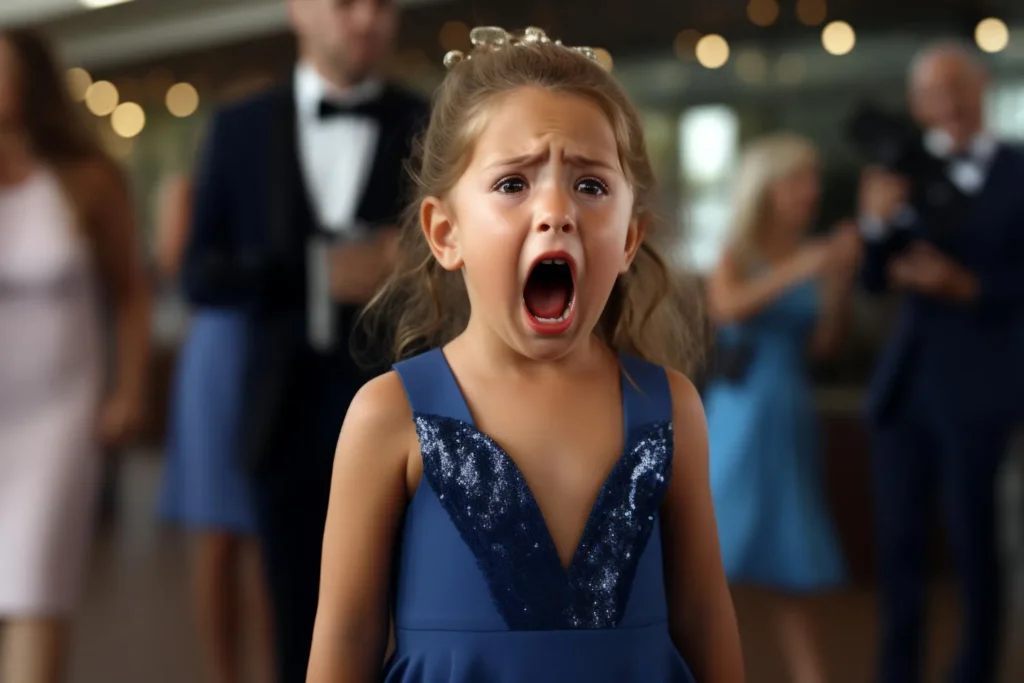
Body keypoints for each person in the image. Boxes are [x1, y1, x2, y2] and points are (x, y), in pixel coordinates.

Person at [306, 26, 744, 683]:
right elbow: (345, 637)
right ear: (444, 232)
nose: (556, 211)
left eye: (591, 186)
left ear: (629, 238)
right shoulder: (387, 416)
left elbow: (707, 618)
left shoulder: (670, 407)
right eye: (513, 183)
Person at [180, 0, 428, 680]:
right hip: (279, 409)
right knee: (296, 616)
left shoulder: (432, 122)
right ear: (297, 9)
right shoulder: (240, 128)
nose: (367, 20)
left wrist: (421, 261)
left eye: (382, 6)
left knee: (416, 613)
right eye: (347, 3)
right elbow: (200, 274)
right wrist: (312, 270)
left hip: (408, 409)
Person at [858, 41, 1024, 683]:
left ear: (981, 86)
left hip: (982, 389)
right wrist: (876, 227)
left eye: (958, 87)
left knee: (975, 547)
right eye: (932, 93)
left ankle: (976, 671)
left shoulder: (1016, 171)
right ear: (916, 104)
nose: (947, 103)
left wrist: (971, 287)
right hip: (905, 393)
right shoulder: (902, 172)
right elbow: (874, 281)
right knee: (898, 549)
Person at [0, 29, 150, 683]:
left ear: (28, 80)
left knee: (35, 585)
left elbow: (131, 294)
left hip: (58, 411)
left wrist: (129, 389)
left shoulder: (88, 179)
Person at [702, 133, 861, 683]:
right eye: (798, 181)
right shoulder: (739, 253)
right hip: (739, 410)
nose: (810, 193)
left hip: (790, 406)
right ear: (767, 189)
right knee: (718, 543)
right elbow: (726, 308)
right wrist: (801, 269)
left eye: (812, 182)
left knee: (790, 549)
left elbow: (825, 345)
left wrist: (837, 280)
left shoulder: (817, 255)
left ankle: (809, 674)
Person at [157, 174, 275, 683]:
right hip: (221, 351)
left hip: (282, 347)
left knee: (280, 535)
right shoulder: (189, 187)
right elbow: (174, 264)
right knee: (218, 535)